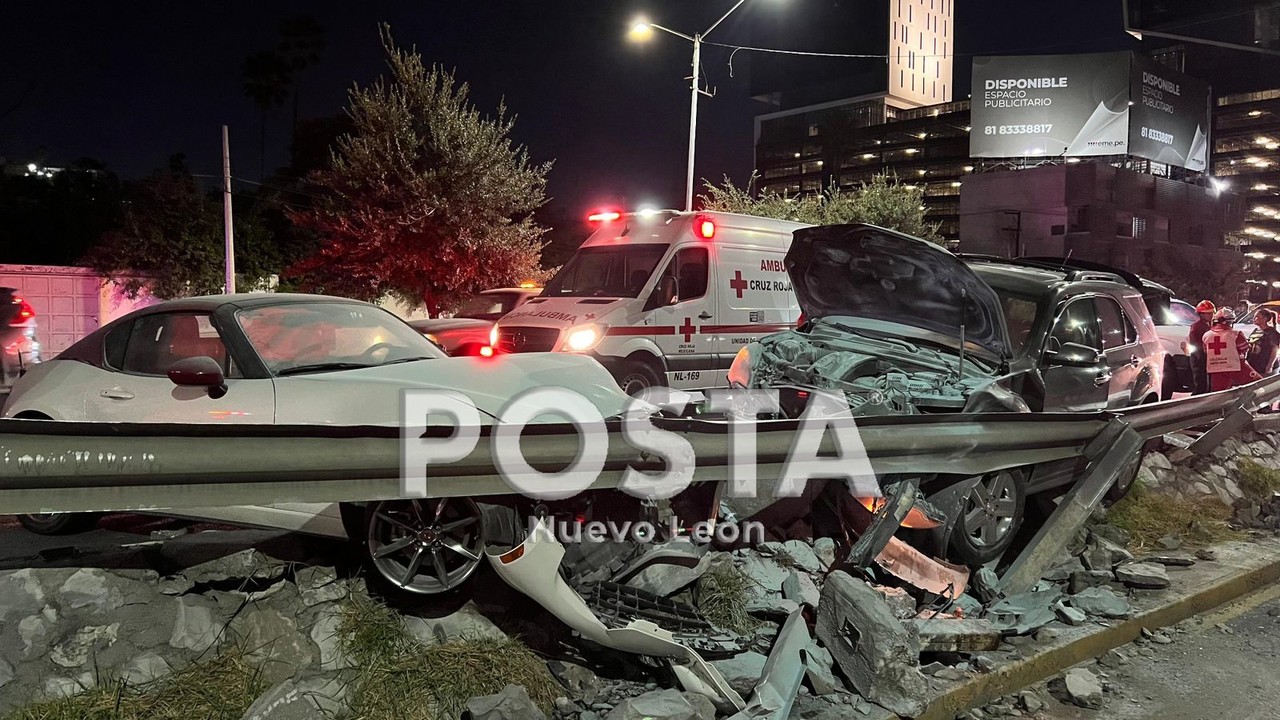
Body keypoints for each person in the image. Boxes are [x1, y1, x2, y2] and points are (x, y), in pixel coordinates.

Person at [1203, 308, 1261, 392]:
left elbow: (1205, 351)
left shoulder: (1206, 335)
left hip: (1215, 369)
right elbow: (1245, 348)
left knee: (1219, 394)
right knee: (1258, 384)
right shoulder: (1236, 334)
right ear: (1228, 321)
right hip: (1235, 366)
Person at [1188, 300, 1215, 394]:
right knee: (1200, 383)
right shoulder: (1196, 327)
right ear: (1201, 314)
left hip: (1209, 357)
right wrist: (1202, 356)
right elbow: (1195, 344)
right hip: (1199, 358)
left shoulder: (1212, 326)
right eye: (1208, 313)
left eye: (1212, 313)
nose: (1211, 315)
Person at [1248, 307, 1280, 376]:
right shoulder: (1256, 330)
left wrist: (1270, 365)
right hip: (1255, 365)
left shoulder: (1272, 332)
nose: (1254, 319)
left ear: (1265, 318)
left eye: (1257, 317)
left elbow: (1274, 349)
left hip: (1265, 366)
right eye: (1254, 317)